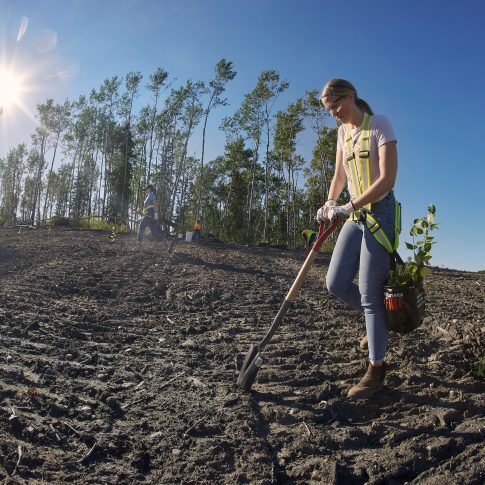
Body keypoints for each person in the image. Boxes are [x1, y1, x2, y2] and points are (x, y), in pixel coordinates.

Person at [317, 79, 398, 399]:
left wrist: (349, 205)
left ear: (351, 97)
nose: (334, 113)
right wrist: (329, 202)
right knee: (335, 283)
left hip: (379, 212)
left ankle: (376, 370)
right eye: (329, 109)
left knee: (368, 290)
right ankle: (376, 319)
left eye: (336, 105)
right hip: (353, 214)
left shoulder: (379, 124)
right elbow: (339, 175)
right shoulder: (342, 133)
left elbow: (387, 180)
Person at [134, 184, 173, 252]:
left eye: (145, 189)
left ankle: (139, 244)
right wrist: (140, 212)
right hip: (149, 215)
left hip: (150, 215)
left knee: (141, 228)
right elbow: (147, 209)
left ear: (149, 189)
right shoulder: (148, 197)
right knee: (155, 234)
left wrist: (155, 216)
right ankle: (168, 242)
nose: (144, 191)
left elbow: (155, 205)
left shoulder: (151, 195)